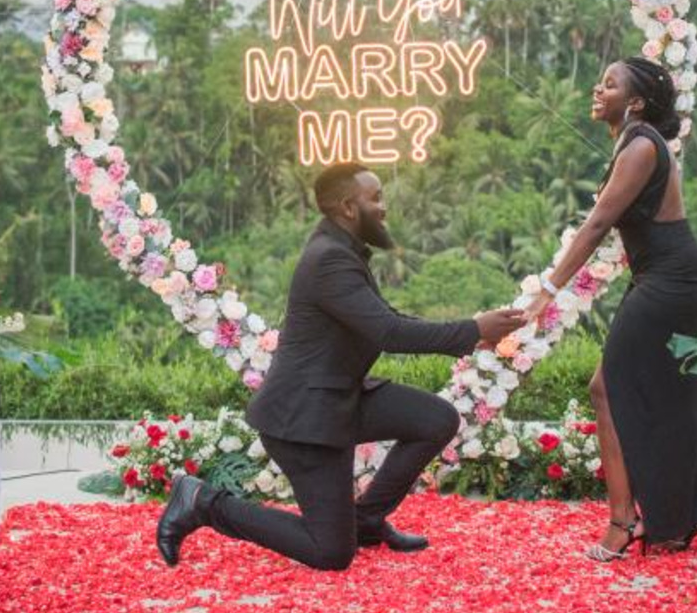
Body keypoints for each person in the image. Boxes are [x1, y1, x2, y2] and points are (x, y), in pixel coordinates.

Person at [156, 163, 526, 571]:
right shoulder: (329, 260)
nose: (384, 208)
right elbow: (389, 333)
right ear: (349, 207)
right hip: (304, 420)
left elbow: (386, 319)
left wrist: (472, 336)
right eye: (376, 198)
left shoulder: (341, 250)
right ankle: (203, 502)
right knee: (330, 553)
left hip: (337, 397)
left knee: (435, 419)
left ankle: (365, 520)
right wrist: (473, 328)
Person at [524, 56, 697, 560]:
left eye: (610, 85)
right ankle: (669, 520)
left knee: (609, 388)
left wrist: (549, 288)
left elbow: (597, 225)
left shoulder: (640, 146)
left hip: (676, 279)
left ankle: (625, 522)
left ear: (635, 102)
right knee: (660, 397)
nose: (598, 90)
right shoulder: (633, 142)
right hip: (664, 277)